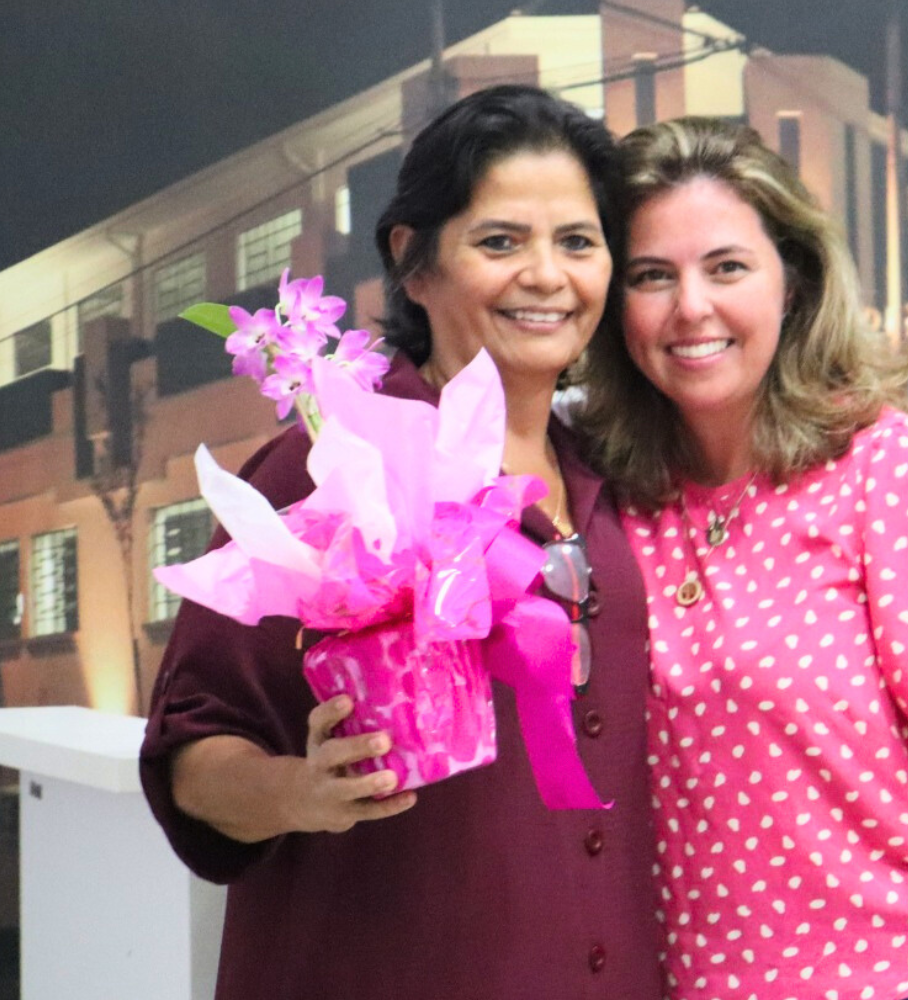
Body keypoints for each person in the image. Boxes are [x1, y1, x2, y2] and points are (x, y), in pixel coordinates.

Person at [140, 85, 664, 1000]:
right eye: (500, 242)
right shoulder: (333, 465)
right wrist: (297, 791)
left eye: (579, 242)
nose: (547, 275)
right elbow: (192, 750)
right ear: (413, 262)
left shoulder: (615, 480)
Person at [577, 116, 908, 1000]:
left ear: (793, 282)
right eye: (652, 276)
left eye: (728, 267)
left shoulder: (899, 471)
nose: (691, 307)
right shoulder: (607, 496)